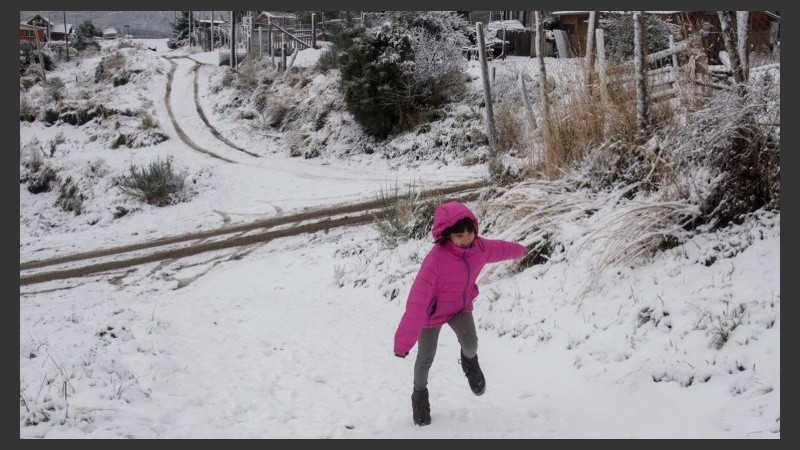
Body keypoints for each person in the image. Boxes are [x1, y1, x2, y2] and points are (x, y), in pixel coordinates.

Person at [393, 200, 526, 426]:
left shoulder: (479, 248)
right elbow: (416, 302)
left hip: (458, 308)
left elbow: (502, 249)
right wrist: (403, 342)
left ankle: (469, 363)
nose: (466, 239)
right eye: (459, 235)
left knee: (471, 344)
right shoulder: (435, 260)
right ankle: (419, 395)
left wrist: (521, 251)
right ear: (446, 236)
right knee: (425, 359)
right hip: (431, 315)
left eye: (469, 233)